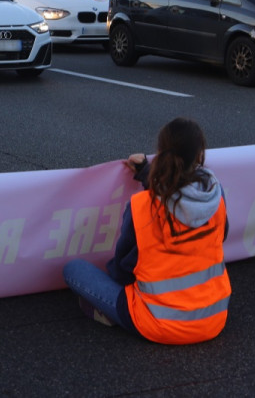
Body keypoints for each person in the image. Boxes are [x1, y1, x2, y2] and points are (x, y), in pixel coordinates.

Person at [63, 118, 231, 345]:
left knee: (74, 269)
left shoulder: (142, 206)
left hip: (157, 324)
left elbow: (123, 269)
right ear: (200, 154)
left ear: (161, 153)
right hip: (213, 318)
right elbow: (204, 220)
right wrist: (146, 173)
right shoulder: (215, 194)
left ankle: (115, 315)